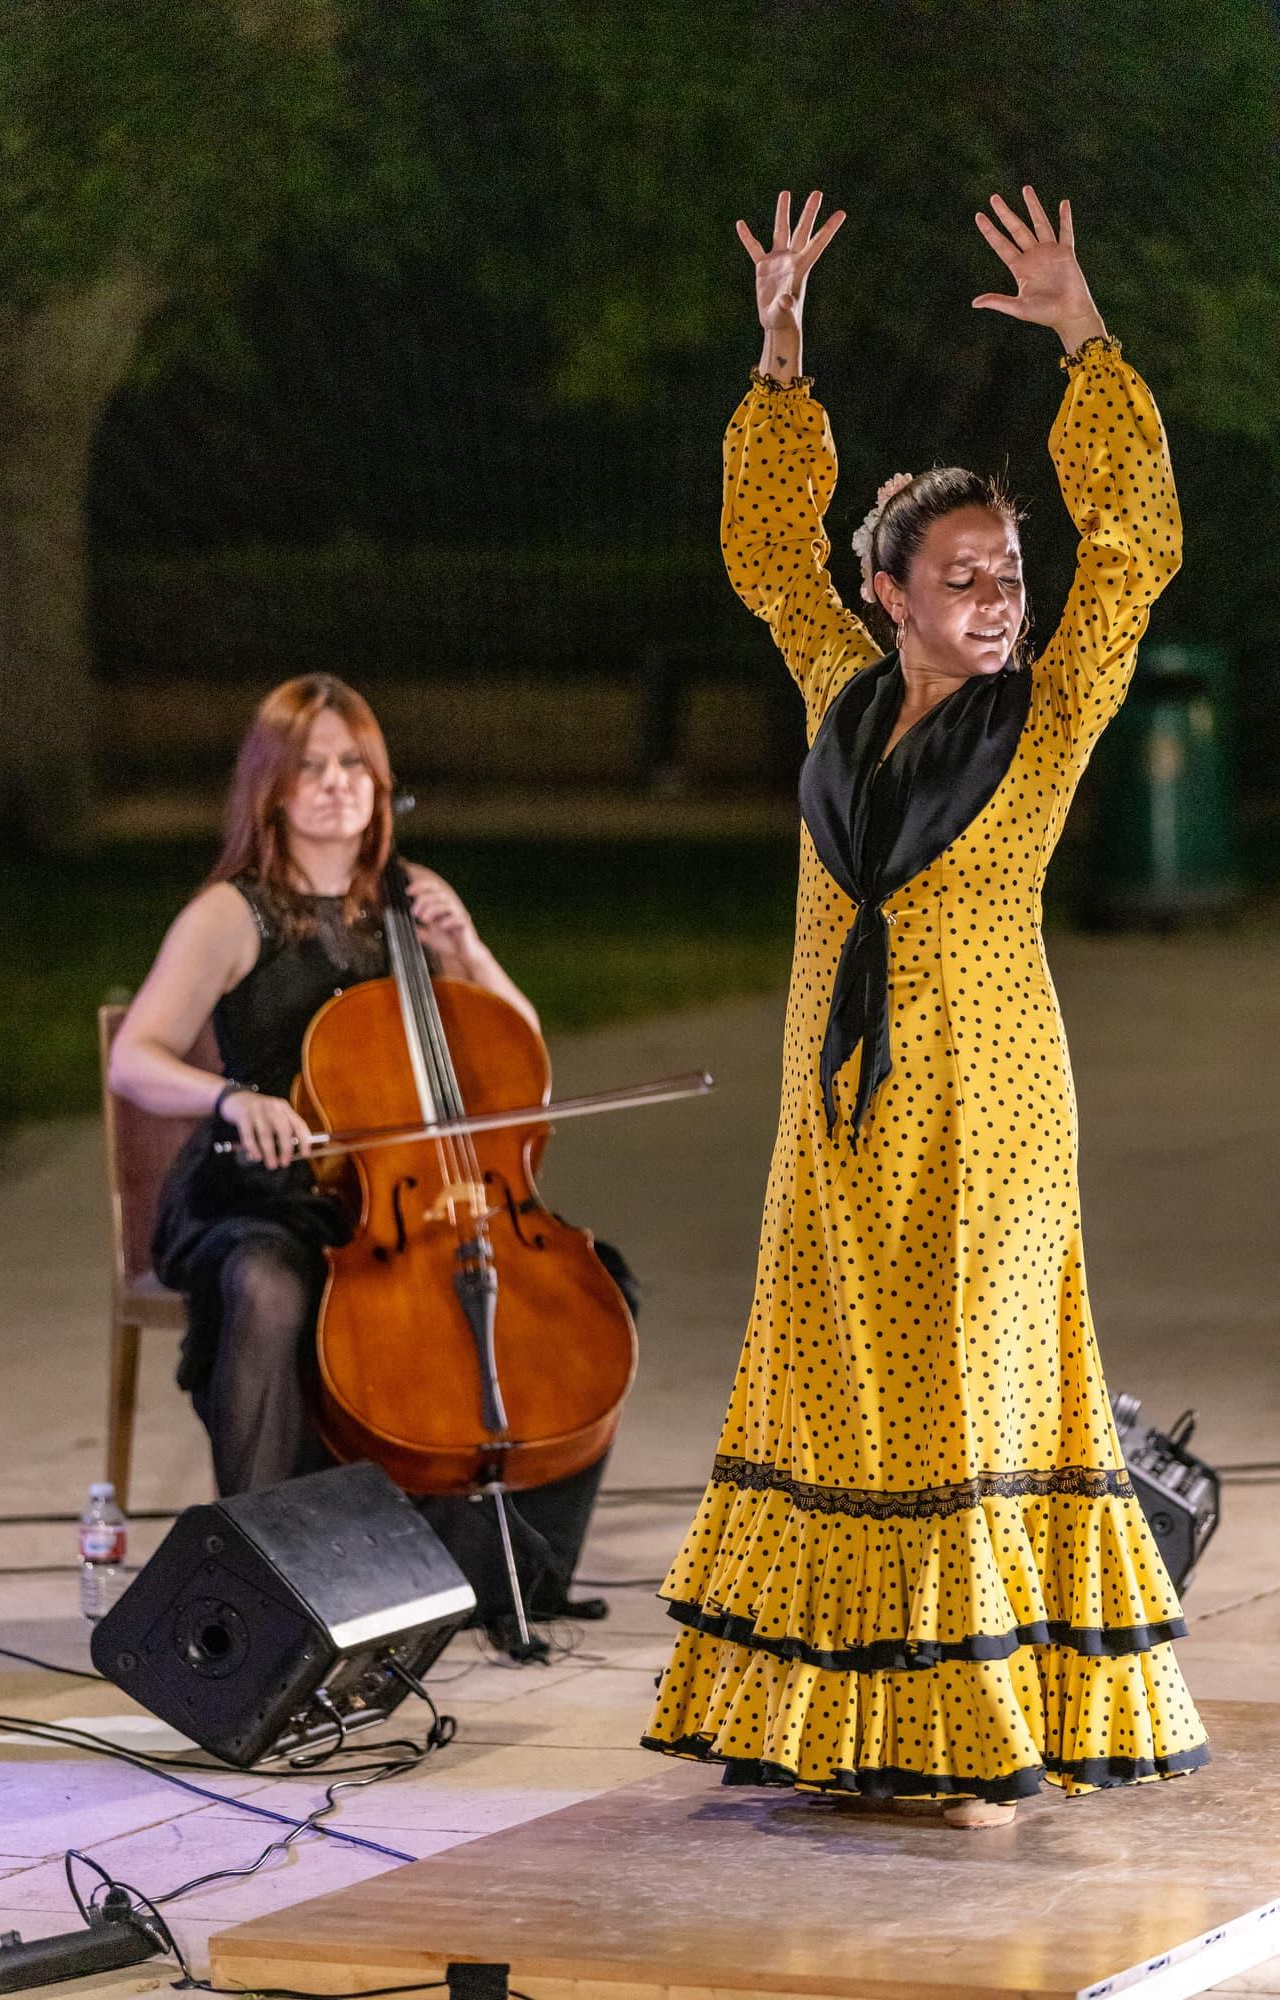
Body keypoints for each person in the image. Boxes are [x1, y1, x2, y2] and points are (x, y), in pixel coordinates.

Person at [641, 187, 1208, 1826]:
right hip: (839, 1111)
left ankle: (977, 1730)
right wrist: (778, 344)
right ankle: (843, 1720)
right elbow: (763, 550)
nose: (994, 594)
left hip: (993, 1108)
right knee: (844, 1387)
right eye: (959, 573)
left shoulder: (1046, 717)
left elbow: (1138, 549)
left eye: (1003, 569)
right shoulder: (833, 690)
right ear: (886, 594)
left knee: (962, 1387)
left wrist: (1080, 333)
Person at [109, 673, 634, 1640]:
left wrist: (468, 950)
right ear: (269, 788)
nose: (336, 784)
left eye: (354, 764)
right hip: (262, 1188)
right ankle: (267, 1583)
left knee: (586, 1286)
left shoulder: (410, 903)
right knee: (269, 1289)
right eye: (309, 767)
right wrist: (232, 1095)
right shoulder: (234, 913)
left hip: (399, 1201)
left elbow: (519, 1058)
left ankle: (504, 1567)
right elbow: (136, 1056)